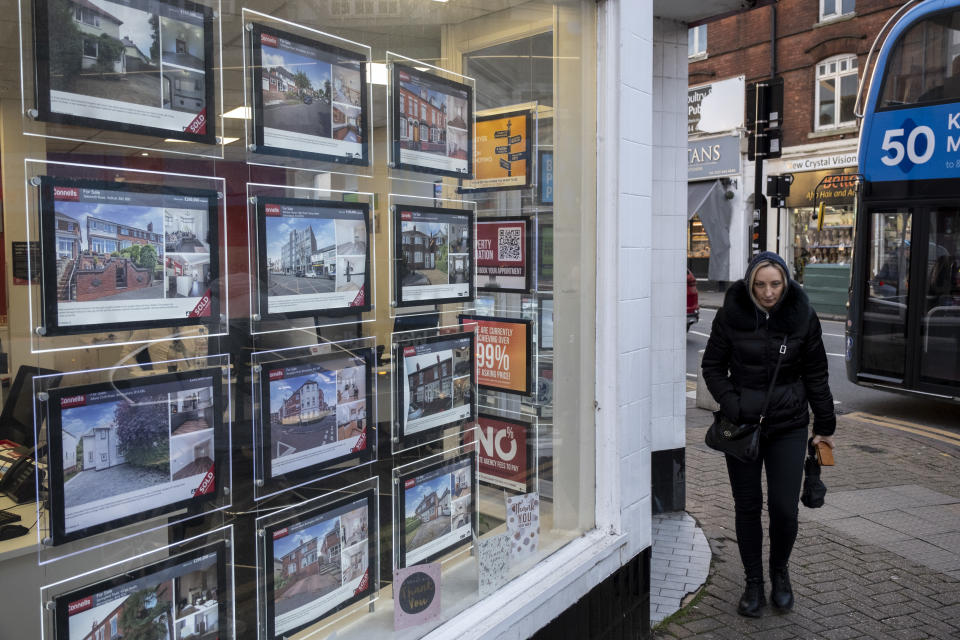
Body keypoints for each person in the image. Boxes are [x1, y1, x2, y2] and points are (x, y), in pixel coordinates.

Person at [701, 251, 836, 617]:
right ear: (749, 284)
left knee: (783, 509)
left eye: (775, 284)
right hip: (743, 428)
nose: (768, 292)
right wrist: (734, 405)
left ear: (787, 282)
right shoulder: (730, 316)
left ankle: (780, 572)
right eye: (760, 284)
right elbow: (712, 367)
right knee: (747, 507)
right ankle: (753, 583)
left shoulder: (803, 318)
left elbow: (817, 376)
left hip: (789, 426)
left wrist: (823, 427)